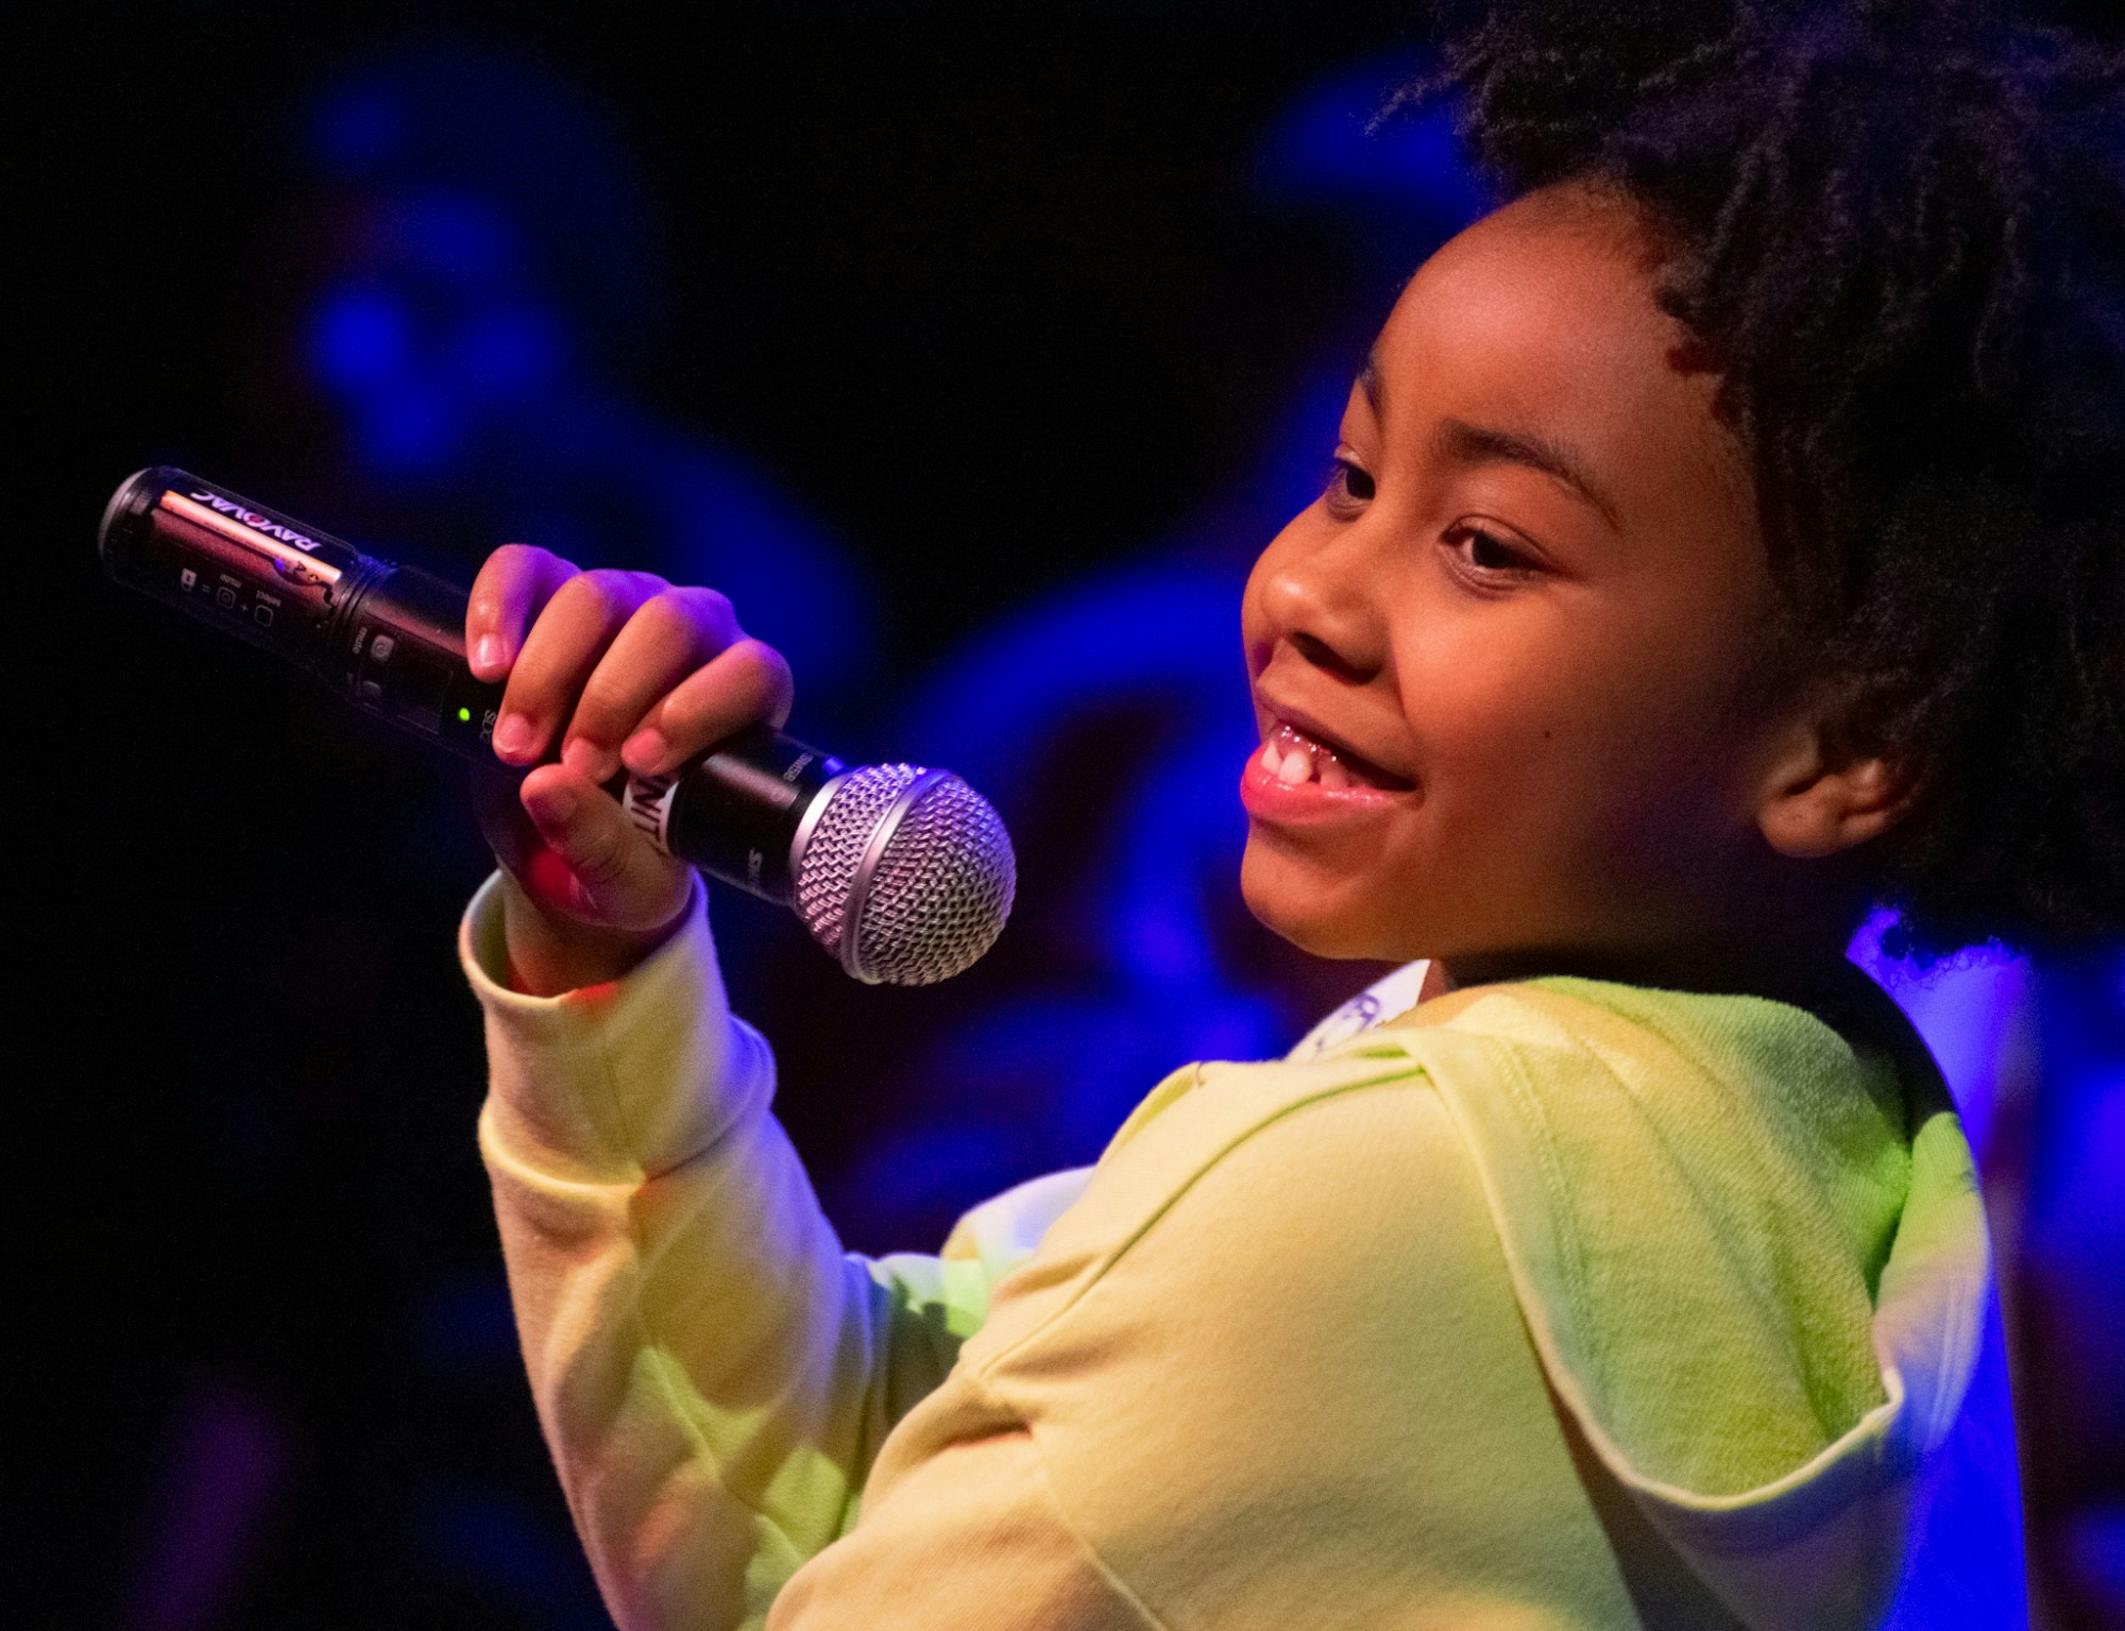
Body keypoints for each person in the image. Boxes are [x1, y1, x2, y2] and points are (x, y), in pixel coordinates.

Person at [450, 2, 2124, 1625]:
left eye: (1488, 548)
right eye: (1351, 478)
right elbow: (883, 1488)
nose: (1308, 592)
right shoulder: (1838, 1167)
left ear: (1850, 747)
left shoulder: (1384, 1204)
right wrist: (608, 967)